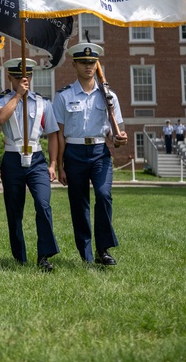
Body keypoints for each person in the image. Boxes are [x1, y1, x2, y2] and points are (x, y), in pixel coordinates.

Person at [53, 42, 127, 266]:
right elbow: (60, 134)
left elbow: (114, 133)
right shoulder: (64, 96)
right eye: (84, 62)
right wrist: (60, 165)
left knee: (104, 195)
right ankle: (85, 254)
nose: (88, 66)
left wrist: (118, 138)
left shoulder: (109, 97)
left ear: (97, 64)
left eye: (92, 62)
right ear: (74, 64)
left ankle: (103, 249)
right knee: (79, 203)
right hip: (74, 153)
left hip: (99, 152)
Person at [0, 58, 61, 272]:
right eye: (20, 77)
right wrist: (18, 96)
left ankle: (44, 256)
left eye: (29, 76)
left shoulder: (43, 102)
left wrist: (52, 164)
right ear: (10, 77)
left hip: (37, 160)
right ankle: (19, 256)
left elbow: (52, 134)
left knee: (43, 204)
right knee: (14, 211)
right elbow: (0, 119)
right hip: (13, 159)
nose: (26, 80)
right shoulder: (2, 100)